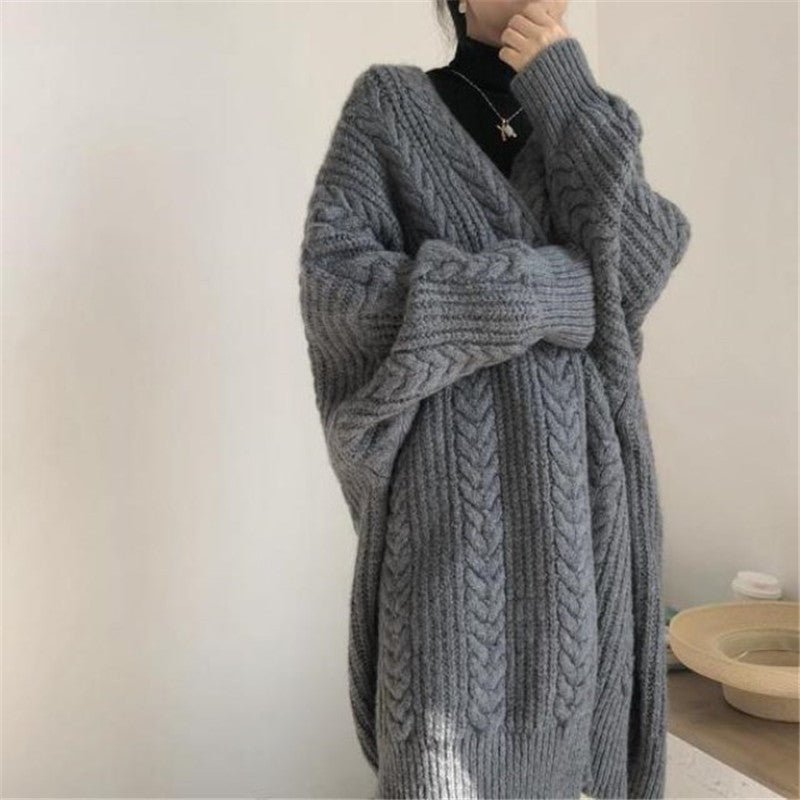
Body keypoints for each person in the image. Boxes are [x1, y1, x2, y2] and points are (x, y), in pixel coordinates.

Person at [298, 1, 692, 797]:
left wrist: (567, 92)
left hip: (579, 518)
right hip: (449, 518)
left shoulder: (580, 115)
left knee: (569, 760)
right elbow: (341, 292)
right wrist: (550, 290)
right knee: (440, 762)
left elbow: (641, 263)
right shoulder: (389, 109)